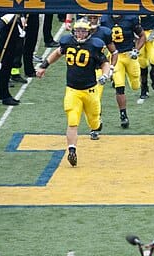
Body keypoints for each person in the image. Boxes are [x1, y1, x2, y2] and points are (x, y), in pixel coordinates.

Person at [36, 17, 113, 167]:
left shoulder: (95, 45)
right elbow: (58, 52)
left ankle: (97, 125)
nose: (80, 34)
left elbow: (105, 63)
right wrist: (44, 65)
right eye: (78, 30)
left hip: (90, 90)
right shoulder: (68, 42)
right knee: (72, 121)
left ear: (89, 32)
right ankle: (72, 150)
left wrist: (105, 75)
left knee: (94, 121)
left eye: (83, 31)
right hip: (72, 89)